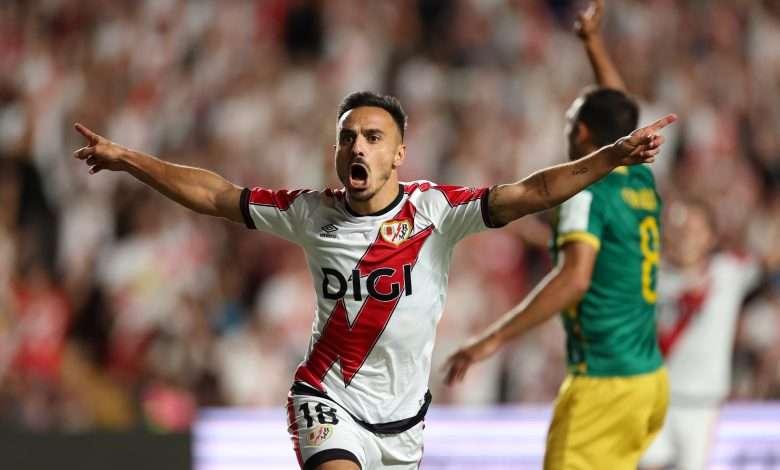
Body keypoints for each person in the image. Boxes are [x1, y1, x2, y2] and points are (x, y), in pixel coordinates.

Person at [72, 87, 674, 469]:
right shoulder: (311, 211)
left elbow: (535, 192)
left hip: (403, 423)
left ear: (398, 155)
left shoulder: (437, 211)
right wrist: (130, 160)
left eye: (371, 136)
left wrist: (612, 154)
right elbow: (215, 195)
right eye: (347, 137)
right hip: (327, 400)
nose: (356, 146)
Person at [444, 1, 670, 469]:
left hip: (603, 387)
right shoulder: (639, 179)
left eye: (569, 125)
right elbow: (619, 113)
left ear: (582, 133)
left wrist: (491, 339)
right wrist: (593, 45)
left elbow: (574, 280)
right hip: (648, 382)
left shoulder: (586, 194)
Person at [640, 199, 780, 470]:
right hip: (653, 399)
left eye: (693, 231)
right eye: (677, 230)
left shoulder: (727, 272)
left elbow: (770, 258)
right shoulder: (648, 275)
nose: (684, 239)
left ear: (710, 236)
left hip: (702, 404)